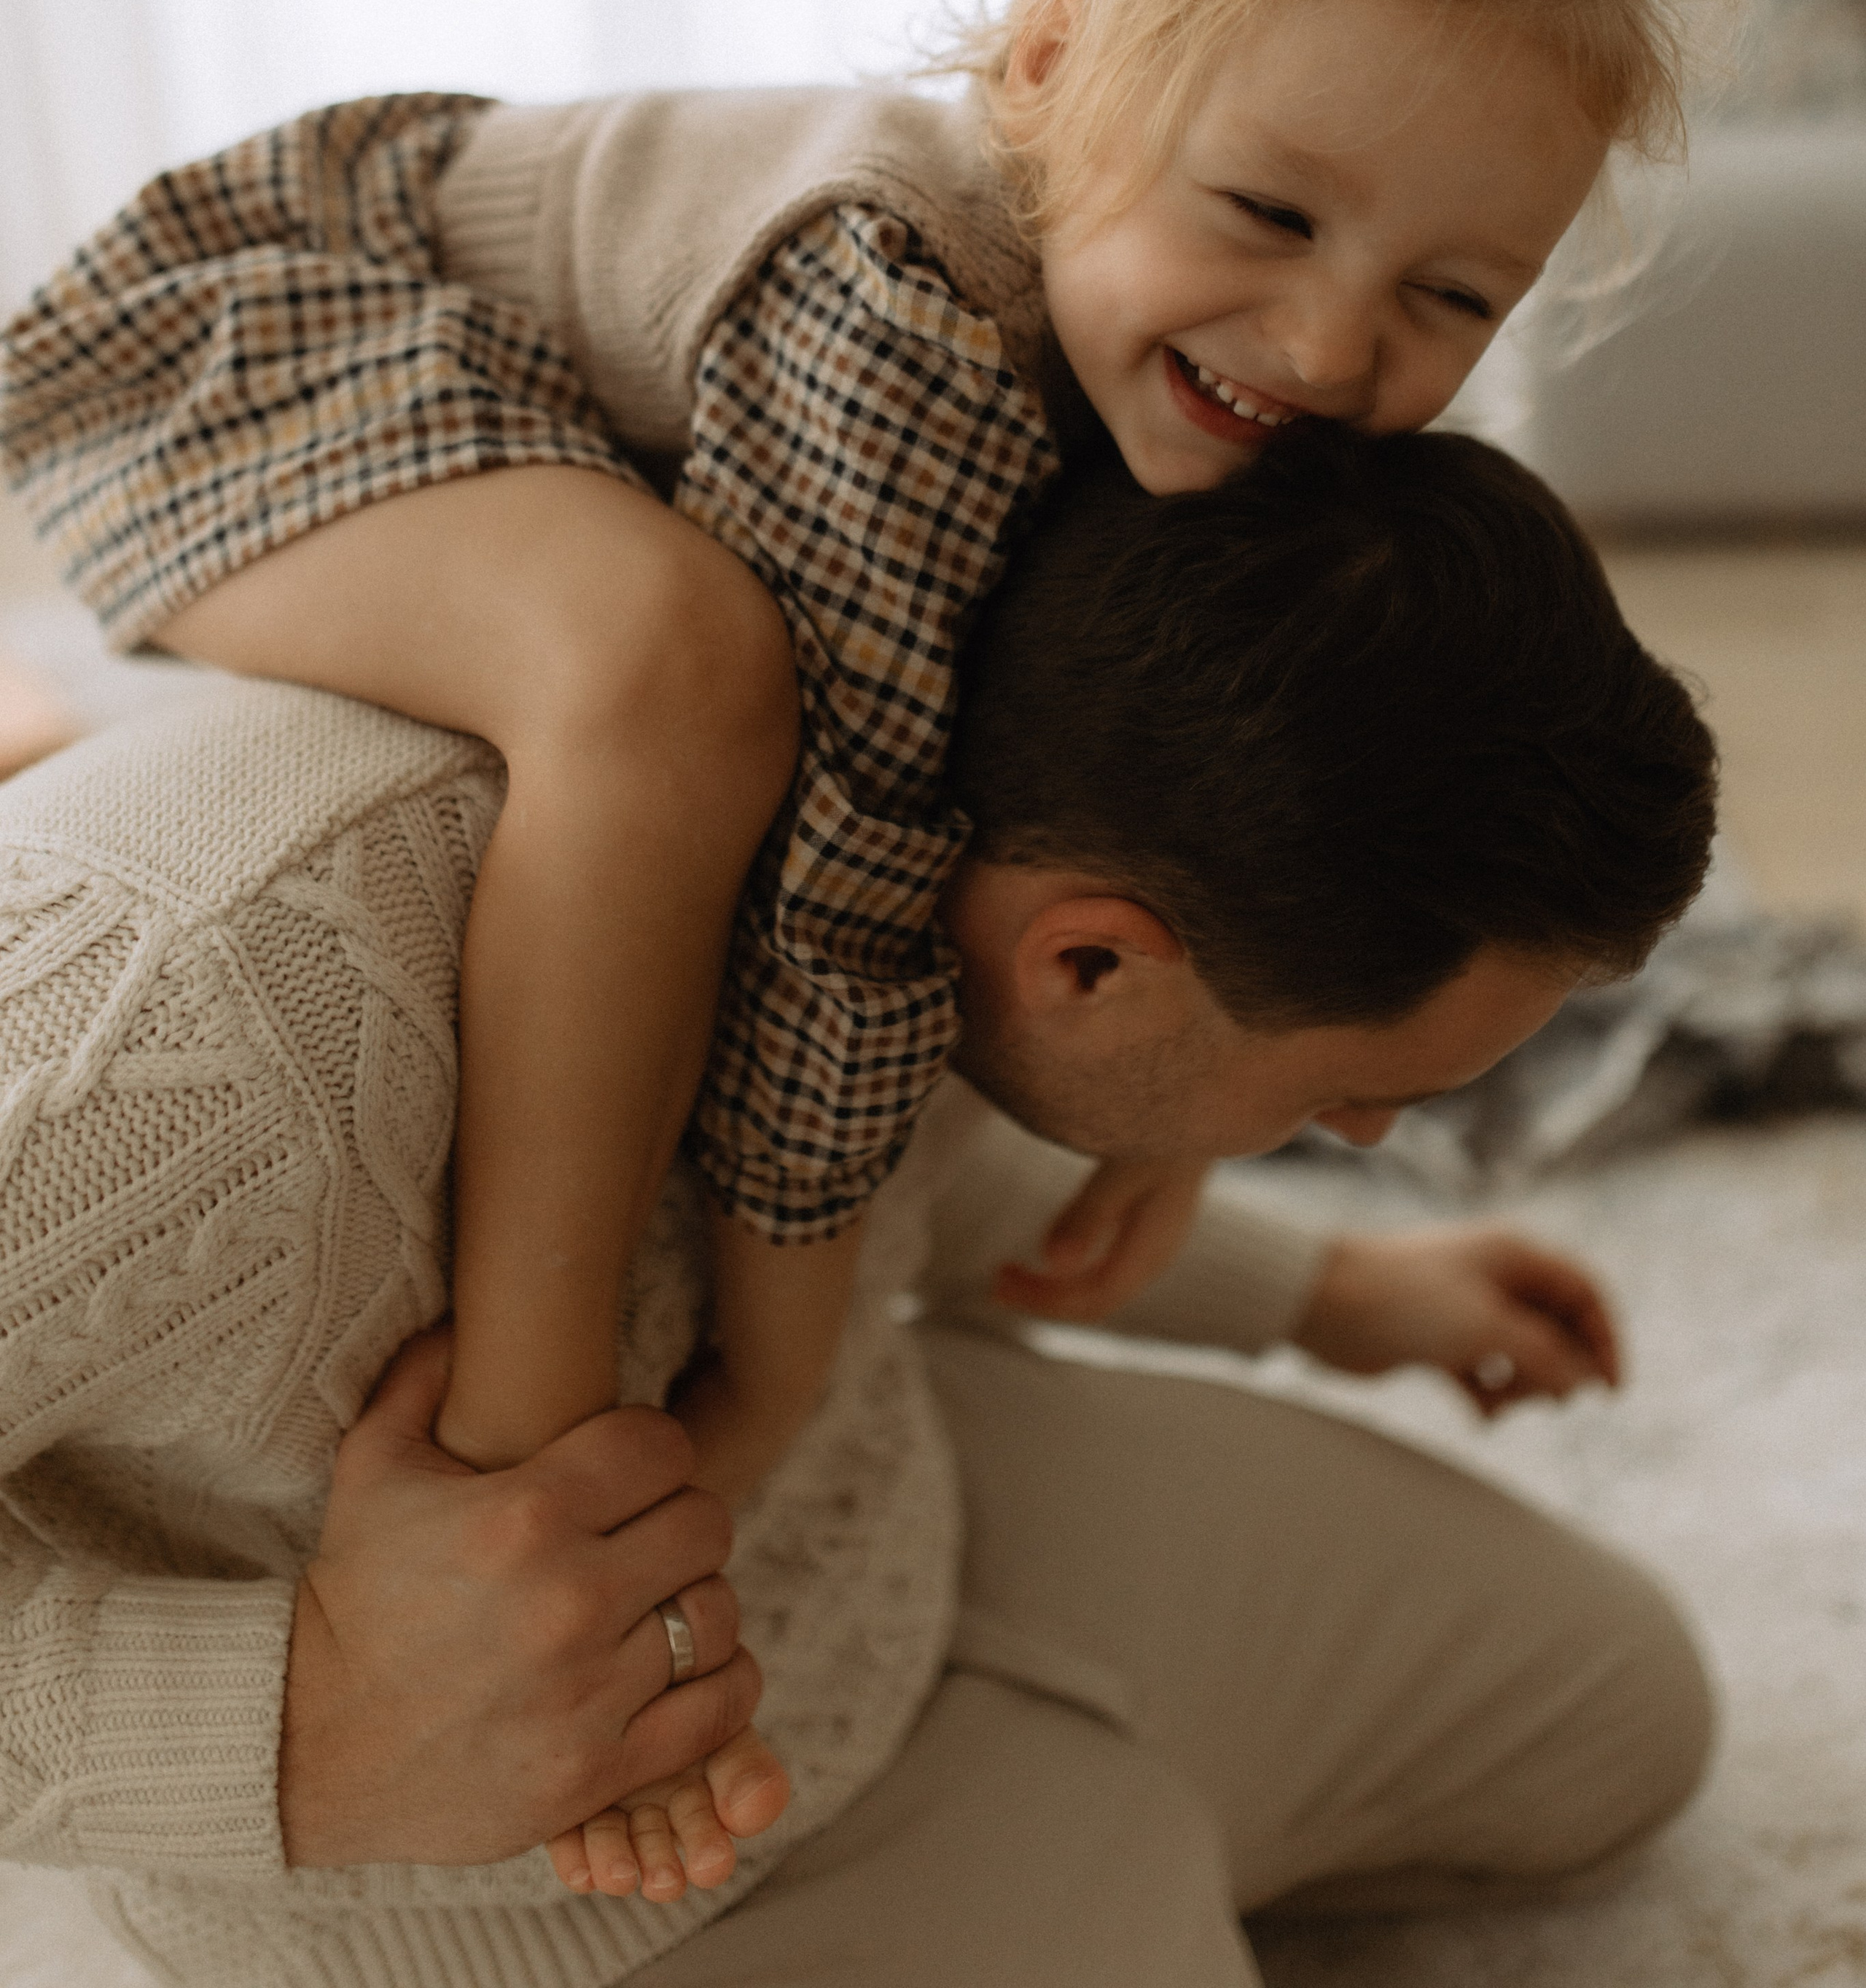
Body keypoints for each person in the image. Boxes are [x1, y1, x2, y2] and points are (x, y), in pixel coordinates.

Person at [0, 0, 1687, 1882]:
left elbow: (1038, 942)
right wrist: (714, 1428)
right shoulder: (893, 323)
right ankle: (541, 1425)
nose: (1335, 345)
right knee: (662, 672)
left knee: (1616, 1715)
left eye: (1454, 296)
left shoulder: (1157, 382)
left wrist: (1219, 1187)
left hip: (922, 1554)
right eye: (1272, 210)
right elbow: (832, 944)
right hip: (230, 342)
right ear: (1058, 58)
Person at [0, 427, 1717, 1987]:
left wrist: (1316, 1291)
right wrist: (305, 1724)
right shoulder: (168, 1020)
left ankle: (1126, 1858)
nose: (1352, 1134)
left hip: (911, 1531)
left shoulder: (905, 780)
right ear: (1095, 958)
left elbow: (891, 1136)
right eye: (1358, 1092)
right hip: (569, 1915)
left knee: (1623, 1721)